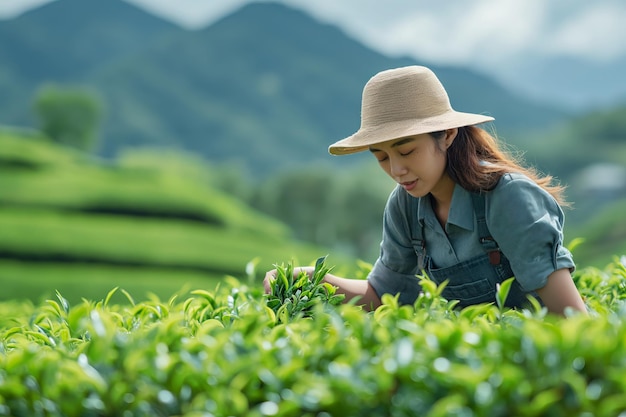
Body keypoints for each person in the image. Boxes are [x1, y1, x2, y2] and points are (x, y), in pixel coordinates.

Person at [264, 65, 587, 315]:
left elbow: (570, 317)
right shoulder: (406, 207)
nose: (396, 170)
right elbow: (384, 296)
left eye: (406, 151)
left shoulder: (508, 197)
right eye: (381, 156)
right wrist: (314, 281)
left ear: (446, 135)